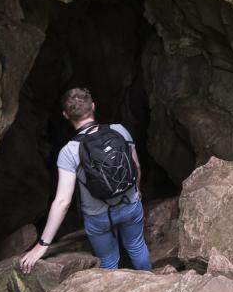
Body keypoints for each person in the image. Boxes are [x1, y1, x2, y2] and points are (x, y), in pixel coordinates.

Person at [20, 87, 152, 273]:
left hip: (98, 218)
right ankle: (150, 280)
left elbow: (63, 201)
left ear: (66, 115)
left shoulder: (69, 151)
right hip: (130, 204)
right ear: (94, 106)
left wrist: (42, 245)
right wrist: (137, 191)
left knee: (108, 260)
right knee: (137, 246)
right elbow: (135, 166)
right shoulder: (119, 130)